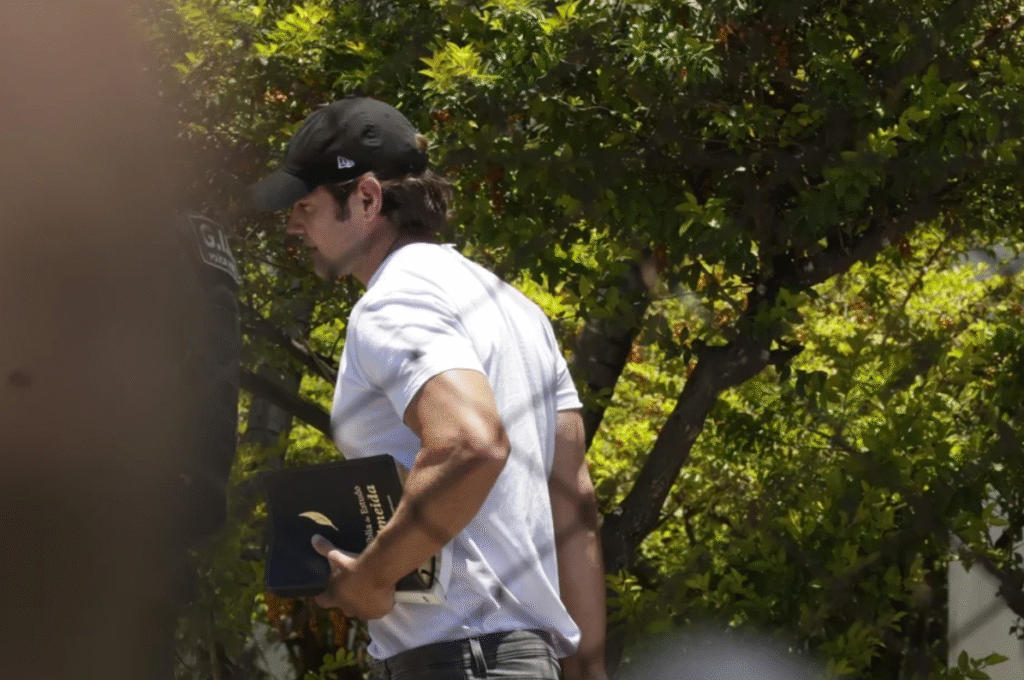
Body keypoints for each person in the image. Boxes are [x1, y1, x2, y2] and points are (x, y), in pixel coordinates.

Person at [248, 96, 607, 680]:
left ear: (367, 199)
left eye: (306, 206)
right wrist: (588, 669)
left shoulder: (394, 301)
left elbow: (471, 443)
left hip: (459, 661)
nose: (293, 226)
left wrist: (372, 577)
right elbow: (575, 502)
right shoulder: (515, 309)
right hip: (524, 660)